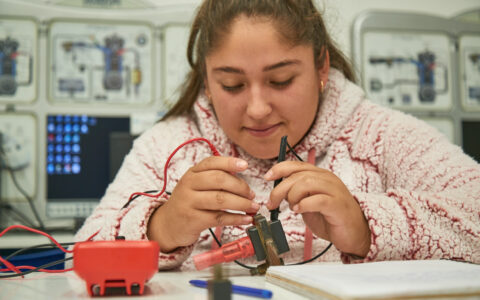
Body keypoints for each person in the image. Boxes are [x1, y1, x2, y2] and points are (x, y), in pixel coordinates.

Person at [74, 0, 480, 270]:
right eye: (232, 85)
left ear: (321, 67)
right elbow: (79, 258)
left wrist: (366, 225)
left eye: (281, 80)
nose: (256, 108)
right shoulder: (169, 146)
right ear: (208, 82)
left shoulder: (381, 137)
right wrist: (161, 228)